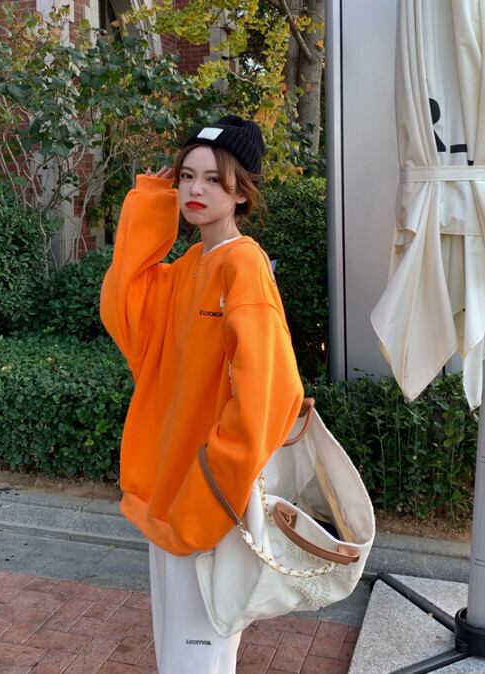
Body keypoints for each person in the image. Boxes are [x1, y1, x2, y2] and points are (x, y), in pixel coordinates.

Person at [99, 115, 304, 674]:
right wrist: (150, 202)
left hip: (207, 499)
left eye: (214, 179)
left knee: (197, 660)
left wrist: (213, 481)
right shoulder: (191, 265)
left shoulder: (243, 264)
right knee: (179, 655)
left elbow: (271, 392)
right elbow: (123, 308)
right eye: (187, 176)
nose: (195, 189)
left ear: (242, 192)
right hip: (170, 491)